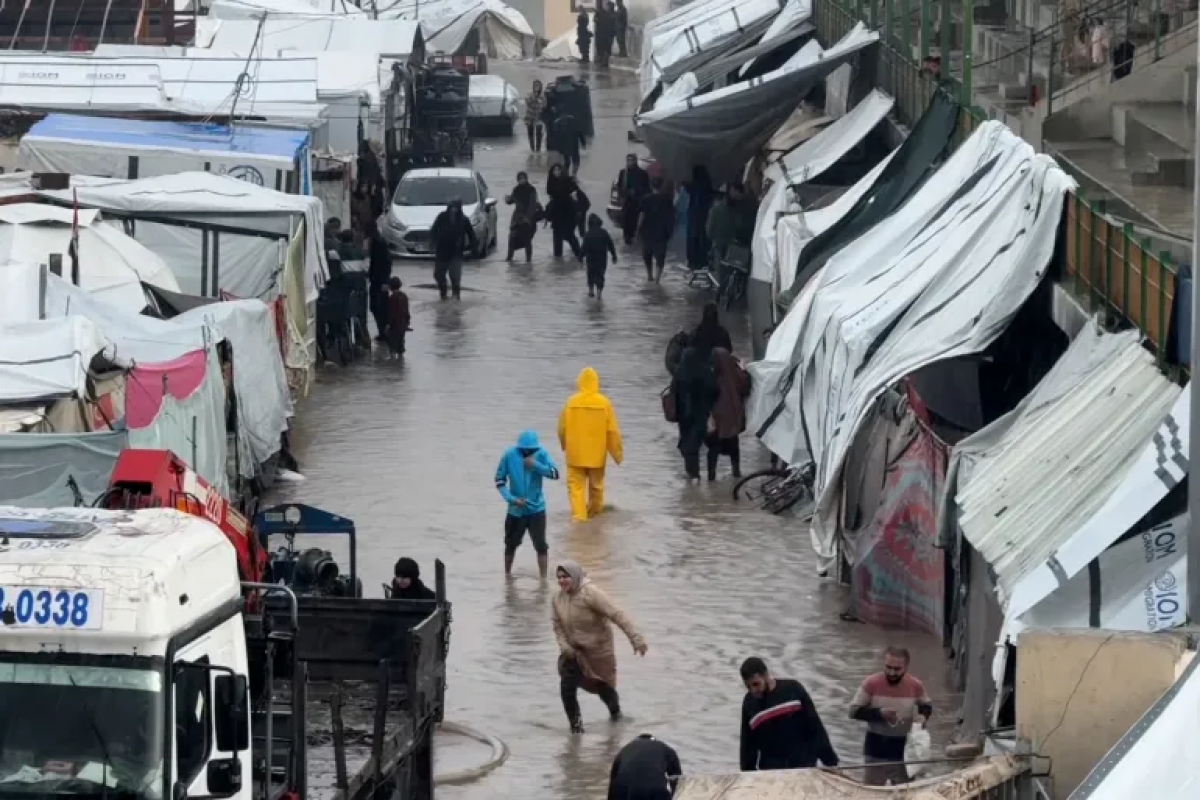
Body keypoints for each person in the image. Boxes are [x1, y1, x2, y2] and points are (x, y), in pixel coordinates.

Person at [552, 560, 647, 733]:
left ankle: (616, 716)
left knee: (605, 689)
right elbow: (557, 626)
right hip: (574, 652)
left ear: (574, 576)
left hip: (598, 651)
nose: (562, 581)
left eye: (565, 576)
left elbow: (617, 614)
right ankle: (576, 728)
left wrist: (636, 639)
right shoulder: (558, 598)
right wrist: (564, 646)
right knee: (567, 686)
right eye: (559, 577)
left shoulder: (591, 594)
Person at [849, 646, 933, 786]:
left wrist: (923, 716)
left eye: (897, 669)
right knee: (872, 795)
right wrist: (879, 713)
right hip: (875, 750)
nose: (892, 672)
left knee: (904, 794)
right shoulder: (871, 683)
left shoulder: (915, 685)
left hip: (904, 753)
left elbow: (927, 705)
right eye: (888, 667)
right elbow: (853, 711)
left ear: (906, 667)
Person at [739, 657, 839, 771]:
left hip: (803, 768)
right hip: (771, 773)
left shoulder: (793, 689)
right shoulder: (749, 703)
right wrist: (747, 775)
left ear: (766, 675)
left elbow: (815, 728)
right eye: (748, 687)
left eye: (756, 684)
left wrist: (831, 763)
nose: (753, 690)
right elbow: (747, 745)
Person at [558, 367, 623, 521]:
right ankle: (595, 516)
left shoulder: (571, 402)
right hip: (596, 455)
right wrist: (617, 455)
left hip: (575, 454)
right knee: (596, 487)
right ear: (596, 383)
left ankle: (579, 519)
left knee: (575, 487)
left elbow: (562, 428)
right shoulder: (604, 403)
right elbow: (612, 431)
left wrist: (564, 444)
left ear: (579, 382)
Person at [495, 430, 560, 578]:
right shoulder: (509, 455)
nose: (528, 452)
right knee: (510, 545)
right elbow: (499, 480)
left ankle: (543, 579)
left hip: (537, 509)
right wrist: (511, 499)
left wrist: (536, 465)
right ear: (519, 448)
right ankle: (507, 577)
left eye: (532, 450)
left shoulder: (542, 454)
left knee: (541, 546)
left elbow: (555, 474)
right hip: (515, 510)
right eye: (525, 450)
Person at [670, 347, 718, 482]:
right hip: (701, 415)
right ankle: (696, 475)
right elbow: (715, 390)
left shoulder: (680, 372)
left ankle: (692, 474)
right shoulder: (705, 372)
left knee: (687, 444)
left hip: (684, 416)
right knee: (695, 444)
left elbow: (673, 391)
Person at [707, 348, 748, 479]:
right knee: (734, 448)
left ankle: (711, 478)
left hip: (716, 420)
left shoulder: (711, 375)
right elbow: (746, 387)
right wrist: (743, 369)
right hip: (732, 419)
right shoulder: (735, 374)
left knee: (713, 450)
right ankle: (736, 475)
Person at [430, 199, 479, 300]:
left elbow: (472, 235)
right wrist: (433, 243)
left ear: (459, 208)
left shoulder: (464, 220)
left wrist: (473, 249)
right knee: (438, 275)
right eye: (452, 207)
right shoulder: (441, 217)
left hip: (456, 254)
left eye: (456, 208)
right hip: (442, 252)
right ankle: (443, 294)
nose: (453, 210)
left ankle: (456, 301)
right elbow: (433, 231)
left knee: (455, 278)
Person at [608, 734, 681, 800]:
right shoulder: (666, 748)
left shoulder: (624, 750)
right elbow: (677, 778)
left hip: (625, 789)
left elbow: (613, 781)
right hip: (656, 788)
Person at [639, 178, 675, 282]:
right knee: (660, 256)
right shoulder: (667, 199)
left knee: (647, 255)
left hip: (647, 231)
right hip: (661, 232)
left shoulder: (645, 198)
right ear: (661, 186)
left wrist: (638, 229)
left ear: (651, 186)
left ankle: (649, 275)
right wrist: (670, 231)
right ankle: (657, 279)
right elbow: (671, 216)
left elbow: (642, 215)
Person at [546, 164, 583, 259]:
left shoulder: (567, 181)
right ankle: (558, 260)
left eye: (558, 170)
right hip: (556, 213)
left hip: (568, 212)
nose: (557, 172)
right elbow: (551, 197)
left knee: (569, 235)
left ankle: (580, 256)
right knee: (557, 236)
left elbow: (575, 194)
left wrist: (577, 210)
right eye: (554, 170)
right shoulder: (551, 182)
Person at [365, 220, 393, 340]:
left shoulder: (380, 243)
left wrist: (386, 282)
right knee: (376, 307)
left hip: (381, 281)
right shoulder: (376, 242)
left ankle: (385, 332)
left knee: (380, 307)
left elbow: (387, 263)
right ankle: (383, 332)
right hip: (376, 280)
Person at [581, 213, 617, 299]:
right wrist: (614, 256)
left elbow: (584, 247)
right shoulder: (604, 232)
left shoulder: (588, 234)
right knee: (600, 275)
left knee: (590, 274)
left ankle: (591, 291)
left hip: (591, 258)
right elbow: (610, 245)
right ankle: (599, 294)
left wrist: (580, 257)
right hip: (602, 258)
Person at [506, 171, 540, 262]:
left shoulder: (531, 190)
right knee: (512, 237)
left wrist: (527, 218)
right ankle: (509, 259)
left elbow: (533, 205)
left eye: (523, 178)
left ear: (526, 179)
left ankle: (528, 261)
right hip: (517, 218)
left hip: (528, 218)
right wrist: (508, 200)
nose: (522, 180)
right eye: (520, 179)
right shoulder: (516, 190)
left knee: (527, 239)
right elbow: (512, 200)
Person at [685, 165, 714, 269]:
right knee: (702, 238)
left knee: (693, 238)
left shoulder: (693, 186)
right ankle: (702, 261)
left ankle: (693, 261)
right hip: (704, 216)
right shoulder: (707, 185)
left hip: (694, 216)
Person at [617, 154, 651, 245]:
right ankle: (627, 241)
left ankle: (634, 239)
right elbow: (619, 187)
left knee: (635, 223)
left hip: (638, 203)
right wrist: (623, 194)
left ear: (635, 161)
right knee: (626, 222)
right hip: (626, 202)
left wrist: (637, 191)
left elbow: (647, 189)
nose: (629, 162)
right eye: (628, 160)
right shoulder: (623, 173)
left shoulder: (643, 174)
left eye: (631, 160)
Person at [705, 190, 735, 267]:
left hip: (717, 243)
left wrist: (711, 237)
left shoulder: (714, 210)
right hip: (730, 243)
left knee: (717, 265)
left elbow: (709, 229)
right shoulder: (731, 211)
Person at [385, 276, 410, 359]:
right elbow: (406, 310)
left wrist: (388, 324)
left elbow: (392, 313)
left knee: (392, 347)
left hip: (395, 325)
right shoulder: (404, 296)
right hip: (403, 324)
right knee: (400, 346)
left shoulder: (392, 298)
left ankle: (393, 366)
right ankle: (400, 365)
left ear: (390, 287)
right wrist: (407, 322)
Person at [525, 80, 546, 152]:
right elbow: (528, 102)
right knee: (530, 133)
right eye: (535, 85)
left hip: (539, 116)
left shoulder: (543, 96)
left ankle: (538, 149)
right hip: (530, 116)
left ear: (541, 87)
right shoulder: (529, 95)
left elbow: (545, 105)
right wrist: (535, 97)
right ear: (533, 87)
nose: (537, 87)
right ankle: (532, 149)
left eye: (538, 85)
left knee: (539, 134)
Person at [594, 0, 613, 68]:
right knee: (602, 48)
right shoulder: (602, 13)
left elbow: (610, 25)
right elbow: (596, 21)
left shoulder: (609, 14)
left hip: (606, 34)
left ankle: (605, 62)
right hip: (602, 34)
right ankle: (603, 61)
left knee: (606, 48)